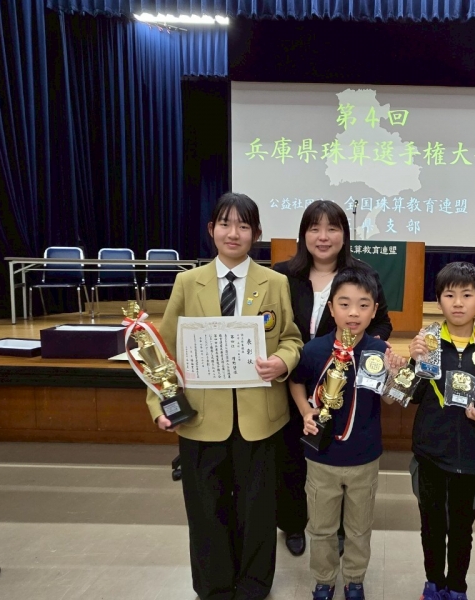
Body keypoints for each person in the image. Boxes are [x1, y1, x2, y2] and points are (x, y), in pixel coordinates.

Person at [146, 192, 303, 600]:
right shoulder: (187, 282)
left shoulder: (275, 282)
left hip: (260, 419)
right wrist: (160, 405)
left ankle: (254, 584)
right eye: (225, 224)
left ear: (256, 234)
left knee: (258, 508)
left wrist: (282, 362)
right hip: (201, 418)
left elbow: (291, 339)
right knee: (205, 507)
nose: (234, 233)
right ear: (211, 229)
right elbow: (163, 351)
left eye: (243, 225)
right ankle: (214, 585)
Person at [273, 199, 393, 556]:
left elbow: (382, 322)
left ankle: (340, 528)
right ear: (303, 234)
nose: (323, 237)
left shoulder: (361, 274)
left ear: (344, 234)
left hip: (343, 384)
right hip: (294, 376)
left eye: (332, 228)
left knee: (333, 454)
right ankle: (294, 523)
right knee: (291, 454)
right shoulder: (282, 275)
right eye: (315, 228)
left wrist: (366, 351)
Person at [288, 265, 405, 600]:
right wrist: (305, 411)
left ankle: (354, 579)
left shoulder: (379, 352)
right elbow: (296, 382)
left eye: (363, 305)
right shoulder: (314, 350)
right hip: (321, 458)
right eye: (345, 304)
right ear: (331, 308)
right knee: (321, 527)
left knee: (358, 528)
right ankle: (324, 580)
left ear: (374, 311)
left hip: (364, 458)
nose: (354, 313)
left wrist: (394, 374)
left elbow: (391, 398)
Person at [408, 262, 475, 600]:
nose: (458, 303)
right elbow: (412, 395)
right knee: (431, 526)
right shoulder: (428, 341)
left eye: (466, 295)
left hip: (471, 455)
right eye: (449, 295)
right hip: (430, 453)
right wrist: (413, 361)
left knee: (461, 529)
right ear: (438, 300)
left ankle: (457, 587)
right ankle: (433, 583)